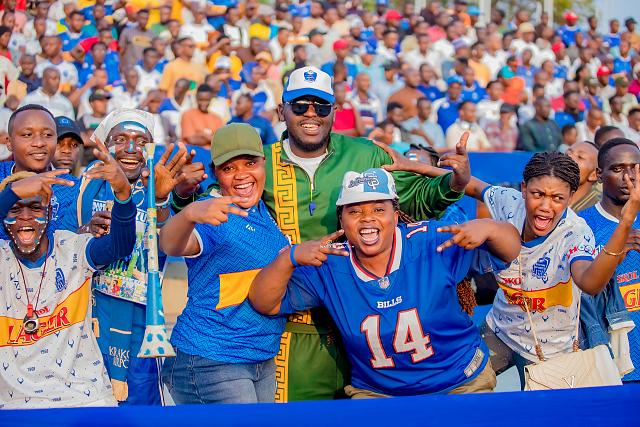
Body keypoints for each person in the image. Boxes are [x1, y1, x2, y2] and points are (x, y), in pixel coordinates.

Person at [172, 66, 468, 402]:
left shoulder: (366, 153)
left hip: (361, 324)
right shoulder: (259, 162)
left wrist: (454, 182)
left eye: (321, 106)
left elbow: (417, 200)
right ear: (282, 110)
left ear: (334, 111)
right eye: (300, 106)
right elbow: (212, 203)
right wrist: (181, 196)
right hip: (290, 329)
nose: (311, 114)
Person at [248, 163, 520, 397]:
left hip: (460, 382)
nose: (367, 219)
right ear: (341, 219)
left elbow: (510, 250)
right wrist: (289, 258)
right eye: (355, 212)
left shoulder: (428, 241)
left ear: (396, 214)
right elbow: (264, 302)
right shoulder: (331, 263)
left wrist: (491, 228)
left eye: (379, 209)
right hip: (379, 394)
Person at [462, 151, 640, 387]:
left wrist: (625, 222)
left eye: (557, 198)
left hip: (551, 352)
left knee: (540, 408)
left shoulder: (575, 232)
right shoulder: (511, 203)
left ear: (570, 197)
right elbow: (473, 185)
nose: (546, 206)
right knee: (461, 385)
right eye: (538, 194)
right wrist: (427, 169)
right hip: (500, 331)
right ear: (524, 189)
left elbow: (590, 284)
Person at [160, 124, 289, 404]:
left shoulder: (263, 209)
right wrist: (189, 214)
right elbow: (171, 245)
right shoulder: (213, 212)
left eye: (250, 163)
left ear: (263, 164)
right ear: (216, 173)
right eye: (229, 168)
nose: (241, 175)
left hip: (261, 358)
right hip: (211, 359)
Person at [0, 156, 136, 408]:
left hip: (87, 400)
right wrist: (14, 191)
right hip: (16, 407)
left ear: (51, 212)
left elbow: (121, 245)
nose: (25, 217)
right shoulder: (2, 257)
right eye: (15, 209)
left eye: (35, 208)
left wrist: (123, 195)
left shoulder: (73, 247)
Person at [77, 108, 188, 406]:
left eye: (141, 141)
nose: (130, 148)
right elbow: (64, 241)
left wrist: (161, 200)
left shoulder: (158, 187)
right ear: (106, 144)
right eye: (120, 139)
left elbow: (167, 247)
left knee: (141, 399)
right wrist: (85, 230)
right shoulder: (86, 185)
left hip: (142, 317)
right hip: (91, 312)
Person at [578, 138, 640, 382]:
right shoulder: (580, 225)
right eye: (618, 169)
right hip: (608, 360)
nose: (629, 177)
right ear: (599, 175)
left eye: (635, 168)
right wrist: (613, 254)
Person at [567, 141, 600, 212]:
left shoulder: (597, 211)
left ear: (594, 175)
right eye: (568, 153)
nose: (569, 157)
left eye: (580, 157)